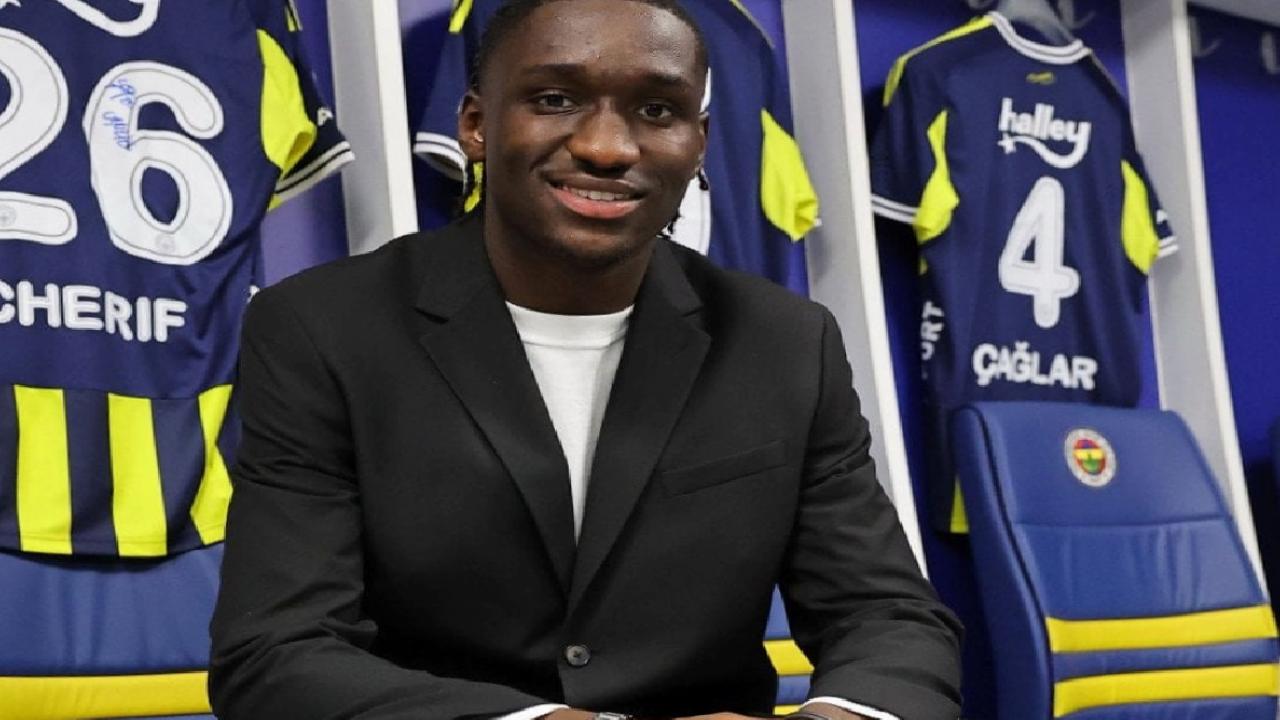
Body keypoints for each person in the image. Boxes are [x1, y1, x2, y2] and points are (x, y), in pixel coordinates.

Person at [208, 0, 962, 718]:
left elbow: (886, 614)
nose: (607, 147)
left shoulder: (785, 341)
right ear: (475, 124)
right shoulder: (324, 328)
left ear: (699, 143)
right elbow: (276, 652)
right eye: (555, 99)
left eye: (658, 111)